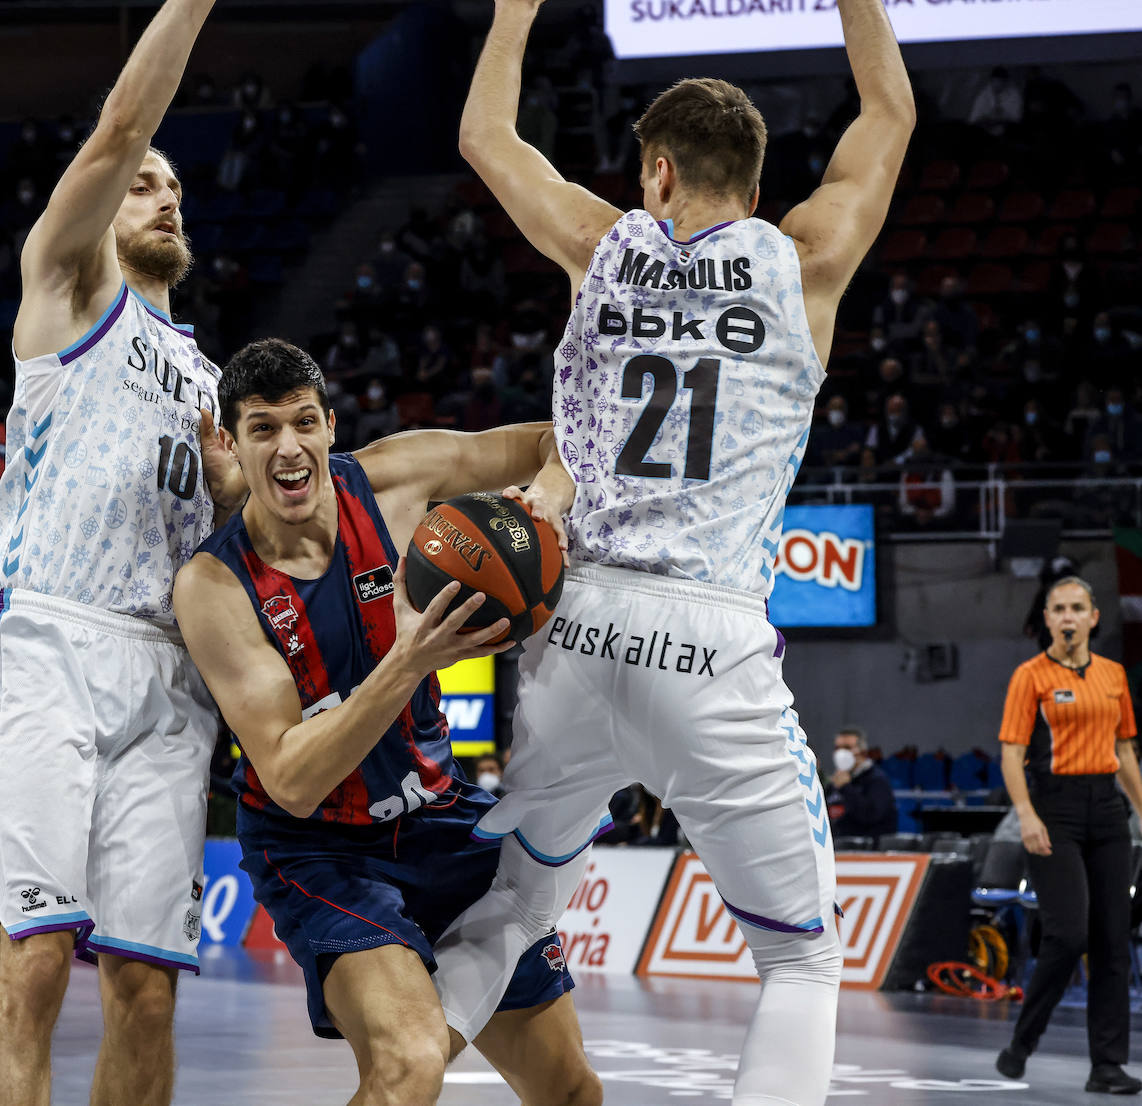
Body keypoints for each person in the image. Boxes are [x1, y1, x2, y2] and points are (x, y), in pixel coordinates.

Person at [432, 2, 915, 1103]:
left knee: (513, 911)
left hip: (579, 623)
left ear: (656, 173)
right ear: (754, 190)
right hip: (710, 636)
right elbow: (890, 107)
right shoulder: (809, 259)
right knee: (799, 954)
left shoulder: (599, 244)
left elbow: (484, 138)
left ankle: (398, 1074)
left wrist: (512, 14)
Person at [173, 339, 600, 1106]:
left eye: (304, 422)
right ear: (234, 450)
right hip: (320, 852)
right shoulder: (213, 586)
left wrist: (550, 496)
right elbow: (294, 781)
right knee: (408, 1063)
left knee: (572, 1093)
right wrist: (409, 659)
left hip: (441, 817)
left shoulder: (395, 479)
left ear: (332, 426)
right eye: (263, 429)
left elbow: (559, 437)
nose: (289, 445)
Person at [0, 4, 240, 1104]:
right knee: (32, 965)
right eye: (144, 184)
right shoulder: (69, 287)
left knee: (147, 986)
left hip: (170, 673)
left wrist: (230, 500)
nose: (164, 193)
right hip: (52, 645)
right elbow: (122, 126)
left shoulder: (212, 383)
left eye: (177, 188)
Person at [994, 576, 1142, 1095]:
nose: (1068, 617)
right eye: (1059, 609)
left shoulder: (1114, 676)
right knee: (1068, 935)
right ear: (1048, 618)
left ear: (1093, 617)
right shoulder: (1029, 677)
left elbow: (1124, 753)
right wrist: (1027, 815)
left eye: (1078, 608)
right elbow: (1012, 754)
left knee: (1112, 944)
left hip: (1107, 811)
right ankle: (1023, 1042)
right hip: (1054, 810)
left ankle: (1107, 1066)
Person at [826, 726, 896, 840]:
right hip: (839, 848)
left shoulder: (877, 780)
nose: (840, 752)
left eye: (847, 748)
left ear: (862, 752)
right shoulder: (834, 783)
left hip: (868, 851)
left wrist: (845, 788)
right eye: (837, 748)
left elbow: (871, 815)